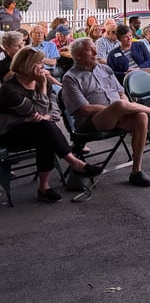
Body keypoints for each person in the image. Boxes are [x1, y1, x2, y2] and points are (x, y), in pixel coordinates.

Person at [62, 38, 150, 187]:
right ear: (78, 55)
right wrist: (116, 108)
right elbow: (85, 109)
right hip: (91, 122)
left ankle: (136, 171)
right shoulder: (70, 78)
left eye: (94, 48)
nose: (96, 52)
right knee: (119, 104)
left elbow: (121, 92)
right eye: (90, 50)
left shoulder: (105, 69)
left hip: (118, 115)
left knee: (141, 116)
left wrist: (123, 107)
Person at [0, 47, 103, 202]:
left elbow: (54, 110)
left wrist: (47, 115)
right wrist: (41, 88)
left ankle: (45, 187)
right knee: (45, 128)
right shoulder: (10, 89)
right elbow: (37, 110)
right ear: (26, 65)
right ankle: (74, 164)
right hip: (9, 133)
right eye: (39, 63)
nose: (42, 68)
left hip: (37, 128)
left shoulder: (44, 82)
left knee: (45, 131)